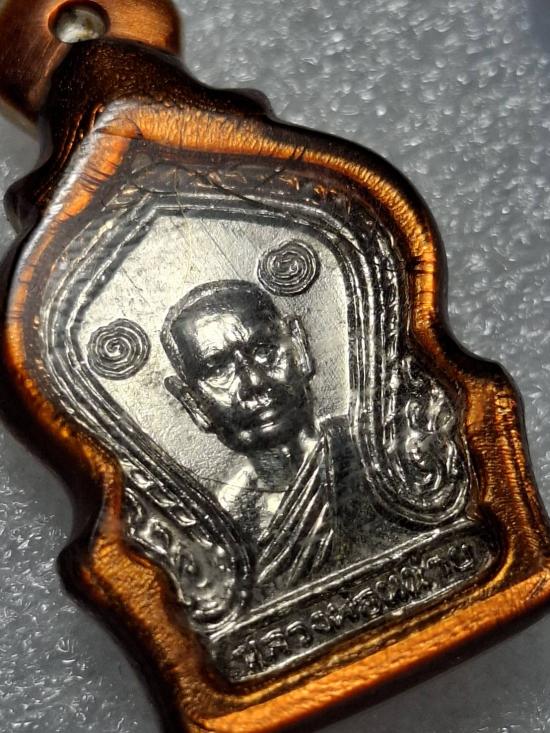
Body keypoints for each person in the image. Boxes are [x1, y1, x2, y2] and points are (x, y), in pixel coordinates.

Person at [161, 280, 375, 591]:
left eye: (264, 351)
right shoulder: (217, 534)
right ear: (192, 403)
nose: (254, 382)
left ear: (299, 348)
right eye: (218, 370)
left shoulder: (377, 454)